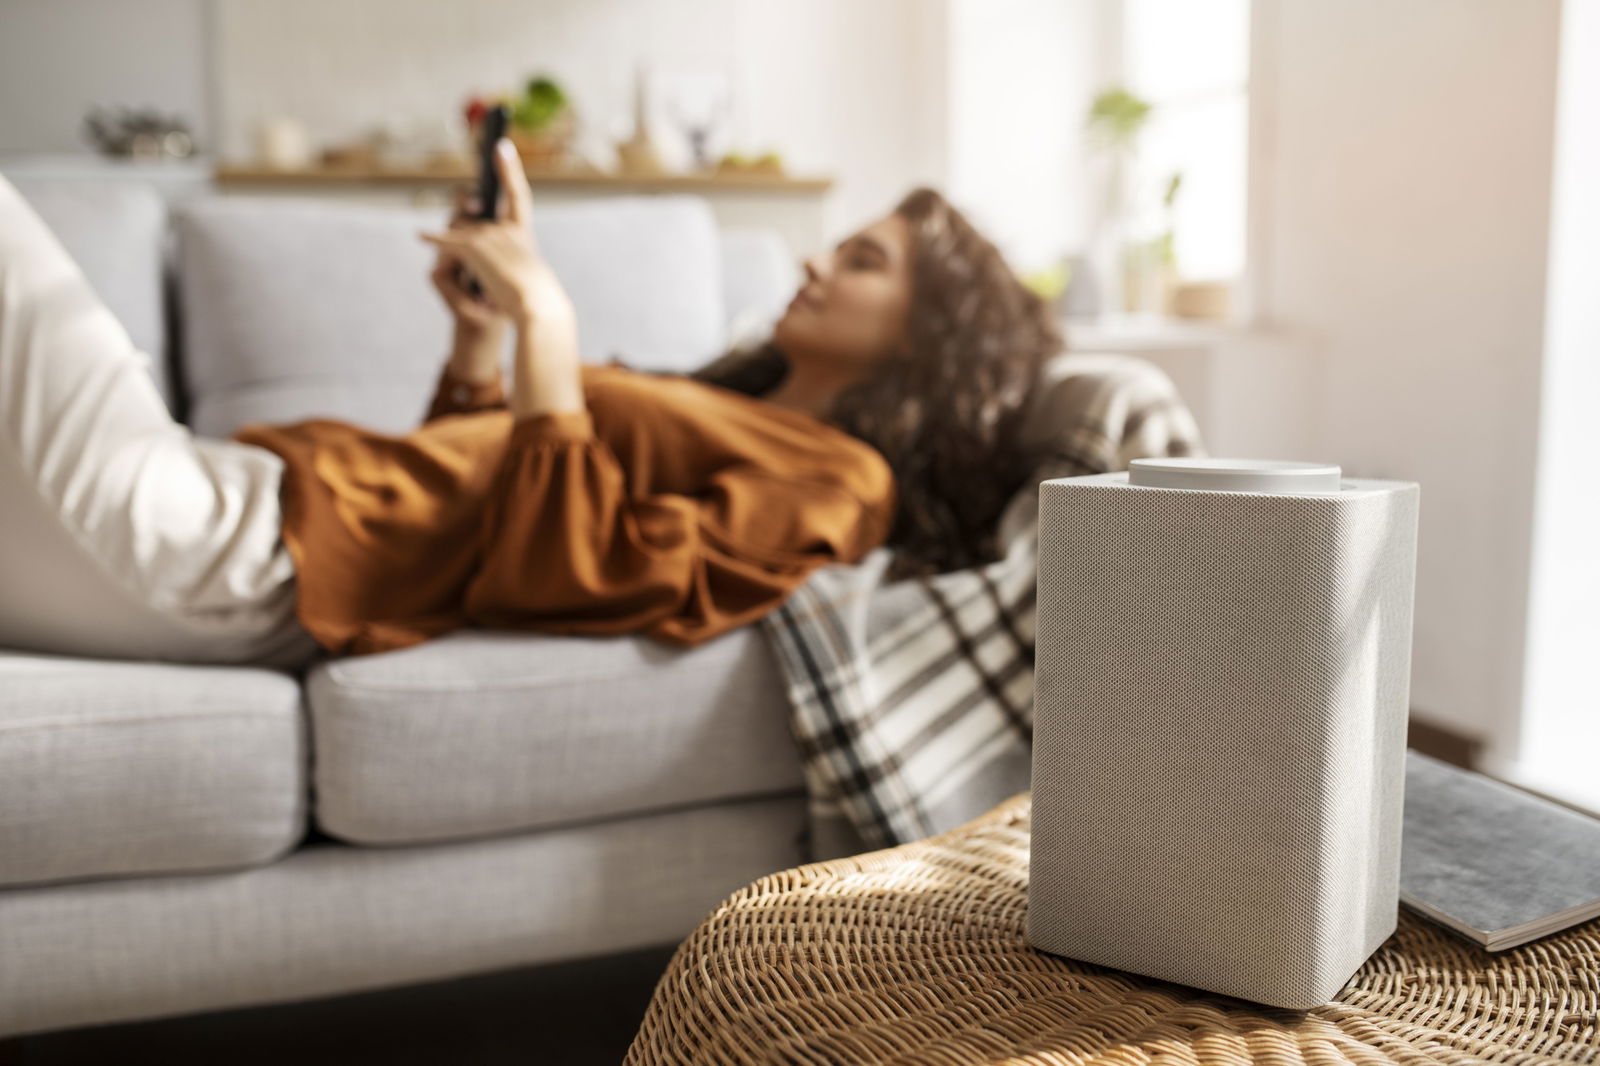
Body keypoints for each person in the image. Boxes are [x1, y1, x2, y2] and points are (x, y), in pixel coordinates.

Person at [0, 141, 1059, 666]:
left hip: (233, 552)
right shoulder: (733, 404)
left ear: (923, 337)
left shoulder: (840, 481)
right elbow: (454, 492)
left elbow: (575, 574)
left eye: (864, 260)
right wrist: (481, 345)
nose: (819, 258)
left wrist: (548, 323)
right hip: (239, 502)